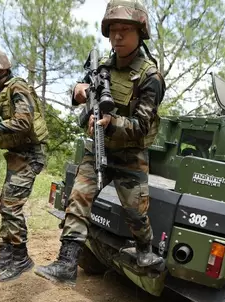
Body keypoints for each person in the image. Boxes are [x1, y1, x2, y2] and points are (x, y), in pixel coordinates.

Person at [34, 0, 166, 286]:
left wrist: (112, 122)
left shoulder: (150, 76)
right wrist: (78, 91)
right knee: (78, 198)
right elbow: (81, 90)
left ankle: (145, 251)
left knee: (136, 212)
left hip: (131, 153)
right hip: (97, 146)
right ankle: (66, 262)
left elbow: (142, 126)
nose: (117, 36)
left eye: (124, 30)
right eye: (113, 30)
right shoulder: (102, 66)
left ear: (139, 33)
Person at [0, 48, 49, 282]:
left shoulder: (17, 87)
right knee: (5, 204)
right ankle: (6, 255)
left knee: (11, 206)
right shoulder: (2, 93)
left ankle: (21, 258)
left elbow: (23, 123)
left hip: (31, 154)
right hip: (17, 154)